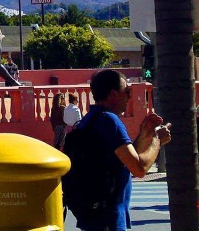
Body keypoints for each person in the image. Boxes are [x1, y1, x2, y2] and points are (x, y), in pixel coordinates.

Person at [66, 70, 171, 231]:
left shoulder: (90, 119)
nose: (129, 96)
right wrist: (157, 140)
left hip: (94, 213)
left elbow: (125, 160)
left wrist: (144, 134)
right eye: (127, 91)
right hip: (109, 217)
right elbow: (139, 168)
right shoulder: (109, 121)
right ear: (113, 94)